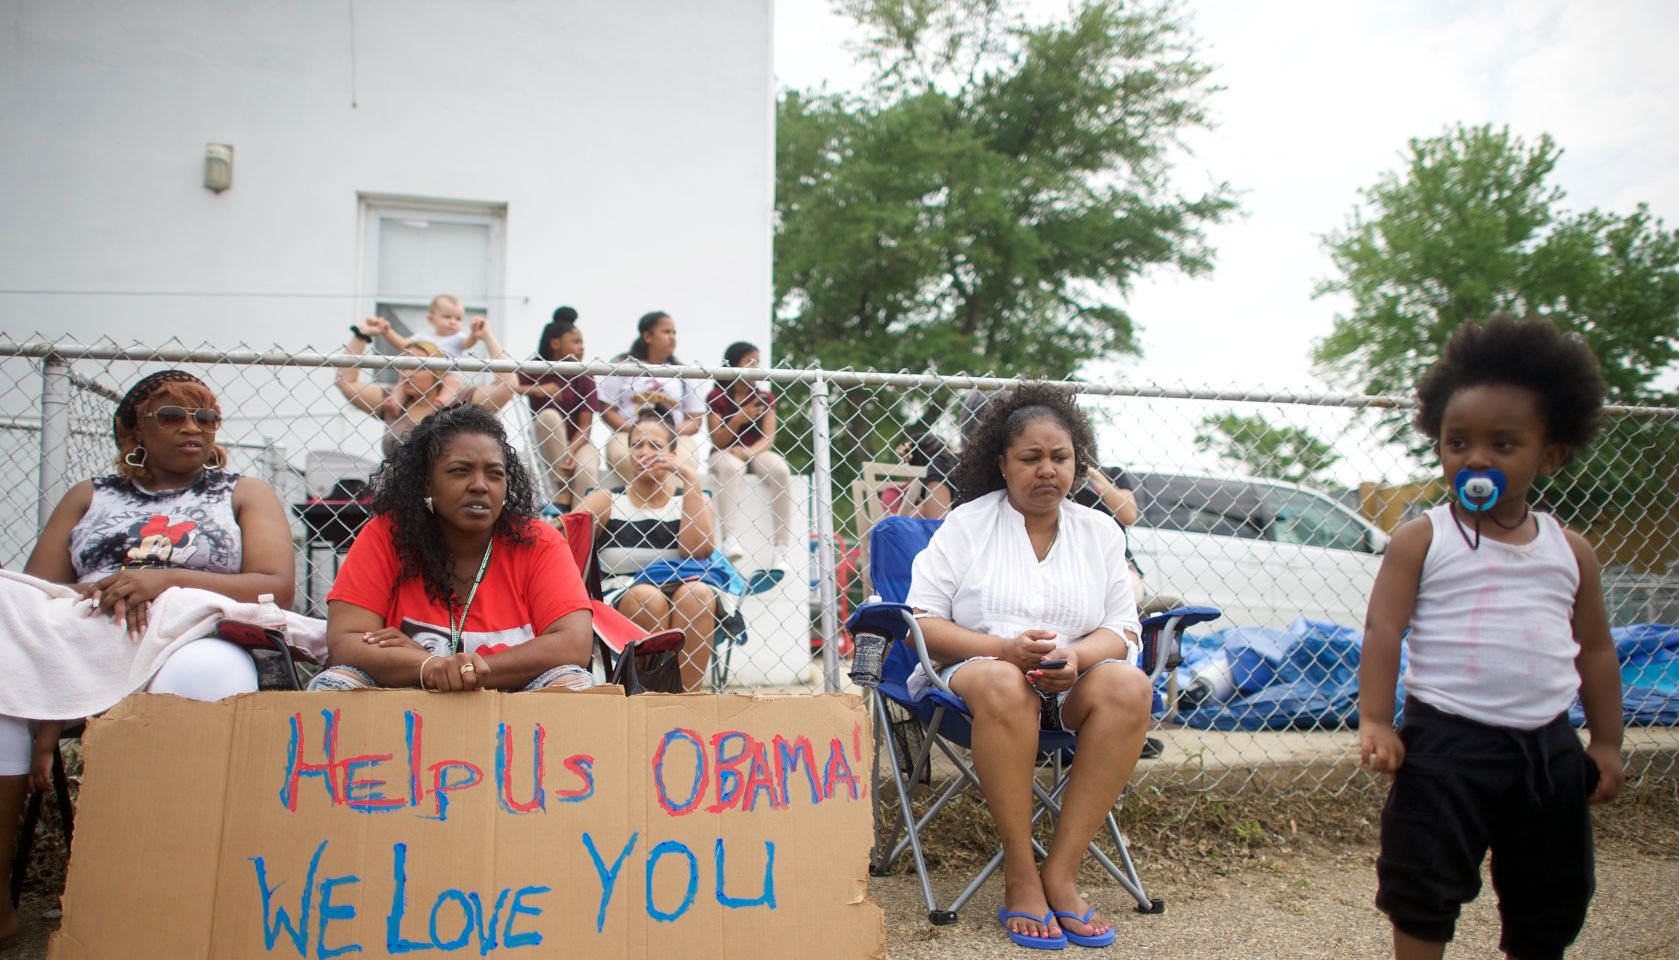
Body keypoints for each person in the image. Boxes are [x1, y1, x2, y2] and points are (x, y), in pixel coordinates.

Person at [1358, 314, 1624, 960]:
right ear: (1439, 446)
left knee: (1551, 890)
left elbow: (1593, 649)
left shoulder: (1571, 551)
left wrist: (1607, 743)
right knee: (1421, 879)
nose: (1474, 458)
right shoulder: (1423, 538)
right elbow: (1382, 628)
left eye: (1502, 444)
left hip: (1547, 749)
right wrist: (1376, 720)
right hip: (1444, 744)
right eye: (1456, 443)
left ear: (1549, 454)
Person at [0, 370, 296, 943]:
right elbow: (40, 596)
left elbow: (275, 586)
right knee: (3, 670)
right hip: (85, 640)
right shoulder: (90, 496)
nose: (193, 428)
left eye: (205, 417)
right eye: (172, 416)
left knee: (204, 676)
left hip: (195, 635)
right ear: (134, 428)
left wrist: (161, 580)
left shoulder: (241, 491)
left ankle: (180, 884)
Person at [906, 385, 1150, 949]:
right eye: (1030, 458)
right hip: (977, 678)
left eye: (1059, 458)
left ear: (1077, 463)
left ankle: (1061, 874)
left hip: (1071, 682)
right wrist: (1004, 650)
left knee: (1130, 686)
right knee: (1003, 679)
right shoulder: (967, 524)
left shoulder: (1100, 533)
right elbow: (922, 623)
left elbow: (1124, 629)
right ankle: (1021, 871)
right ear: (1002, 463)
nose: (1047, 471)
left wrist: (1081, 656)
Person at [308, 403, 595, 694]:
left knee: (575, 685)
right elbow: (346, 640)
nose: (480, 485)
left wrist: (458, 669)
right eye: (460, 471)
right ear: (426, 484)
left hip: (511, 700)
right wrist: (428, 667)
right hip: (404, 697)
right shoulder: (387, 534)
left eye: (495, 474)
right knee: (334, 684)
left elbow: (574, 643)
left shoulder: (537, 541)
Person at [580, 411, 719, 692]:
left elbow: (697, 552)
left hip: (682, 588)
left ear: (673, 453)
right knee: (647, 598)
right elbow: (564, 537)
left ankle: (686, 703)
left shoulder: (691, 498)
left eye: (655, 446)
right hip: (622, 594)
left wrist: (688, 477)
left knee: (700, 594)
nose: (645, 452)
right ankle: (647, 699)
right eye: (637, 445)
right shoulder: (607, 500)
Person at [336, 318, 518, 459]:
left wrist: (487, 337)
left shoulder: (461, 400)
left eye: (417, 367)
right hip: (396, 497)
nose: (408, 373)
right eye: (404, 366)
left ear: (437, 373)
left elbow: (508, 384)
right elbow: (346, 382)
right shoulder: (394, 402)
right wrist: (361, 336)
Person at [707, 341, 798, 569]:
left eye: (758, 361)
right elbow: (717, 439)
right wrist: (738, 419)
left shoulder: (764, 398)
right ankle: (730, 538)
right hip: (725, 451)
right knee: (731, 468)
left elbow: (768, 438)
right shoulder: (717, 396)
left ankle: (782, 546)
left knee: (780, 470)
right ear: (733, 365)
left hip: (755, 451)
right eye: (750, 361)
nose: (756, 367)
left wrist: (746, 452)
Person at [598, 311, 706, 483]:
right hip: (628, 433)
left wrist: (666, 432)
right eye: (666, 332)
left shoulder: (685, 372)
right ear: (647, 336)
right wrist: (637, 429)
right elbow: (607, 410)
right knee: (622, 454)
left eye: (674, 333)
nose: (672, 337)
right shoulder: (622, 366)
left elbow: (695, 419)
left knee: (683, 460)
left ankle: (671, 503)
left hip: (675, 435)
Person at [521, 306, 601, 510]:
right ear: (555, 343)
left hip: (579, 441)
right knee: (549, 415)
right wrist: (537, 389)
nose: (581, 347)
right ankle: (562, 489)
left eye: (582, 342)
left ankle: (580, 519)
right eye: (575, 342)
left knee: (586, 468)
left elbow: (585, 426)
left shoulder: (584, 375)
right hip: (546, 440)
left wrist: (571, 452)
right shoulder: (535, 369)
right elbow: (507, 385)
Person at [362, 294, 480, 358]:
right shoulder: (422, 338)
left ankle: (443, 402)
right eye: (447, 317)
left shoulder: (458, 338)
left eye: (458, 319)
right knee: (404, 379)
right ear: (431, 319)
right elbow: (402, 344)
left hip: (449, 374)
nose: (453, 322)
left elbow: (468, 343)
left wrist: (474, 333)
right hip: (425, 378)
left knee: (454, 382)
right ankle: (395, 400)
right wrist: (387, 332)